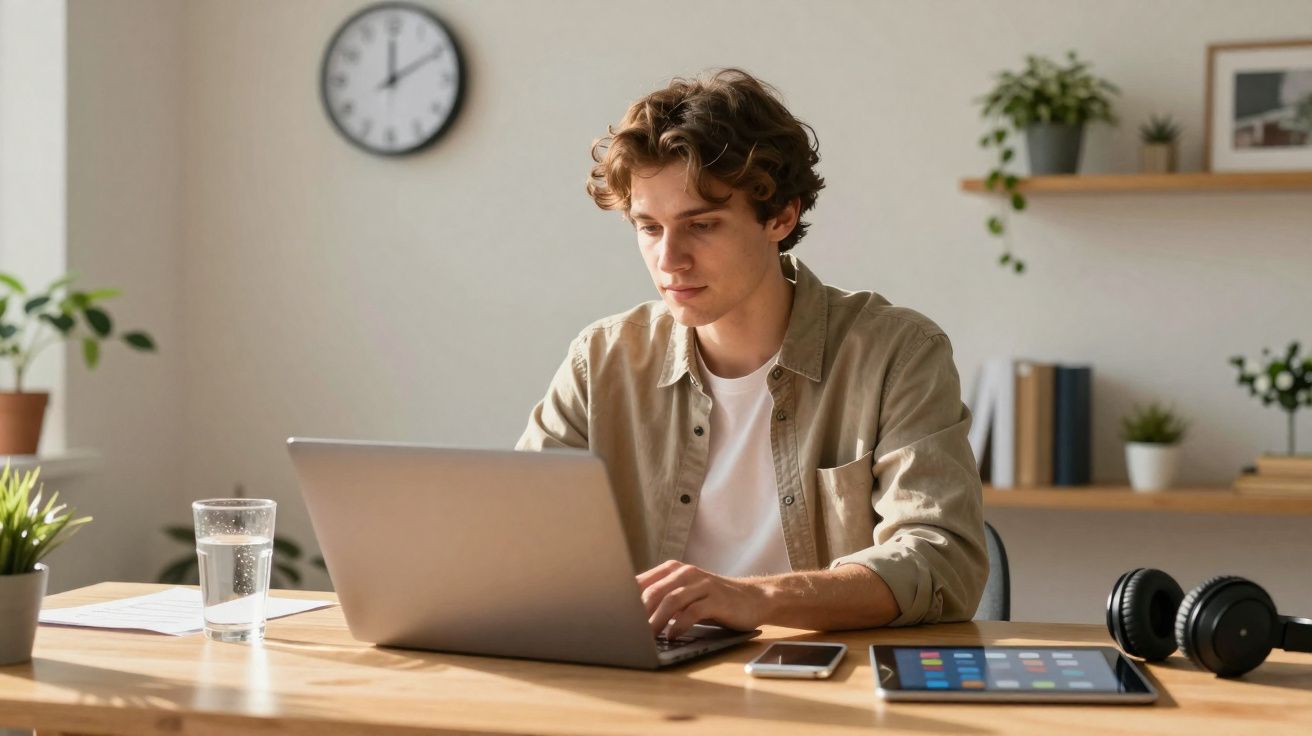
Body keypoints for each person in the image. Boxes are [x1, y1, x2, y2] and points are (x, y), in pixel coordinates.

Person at [517, 68, 986, 640]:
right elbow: (516, 537)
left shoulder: (896, 354)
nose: (669, 260)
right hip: (645, 675)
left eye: (701, 225)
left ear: (780, 217)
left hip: (832, 676)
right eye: (649, 228)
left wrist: (753, 598)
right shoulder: (601, 360)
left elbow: (940, 560)